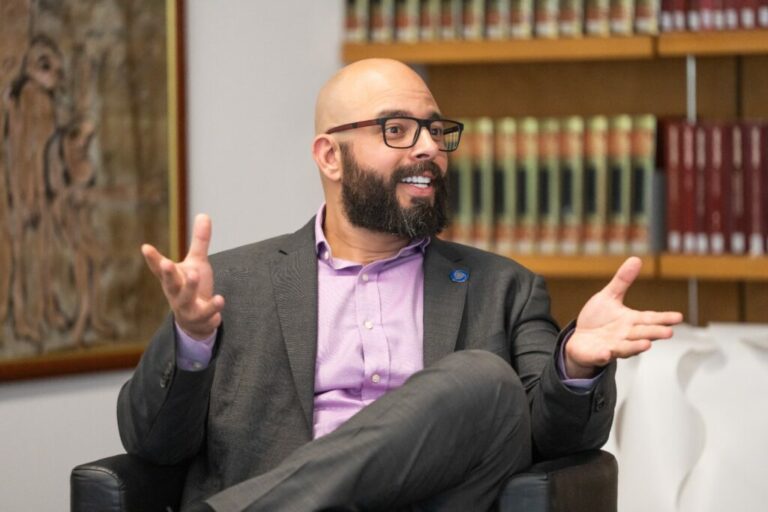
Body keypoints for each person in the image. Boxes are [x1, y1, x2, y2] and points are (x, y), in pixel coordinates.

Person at [117, 58, 682, 512]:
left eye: (436, 130)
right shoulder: (235, 286)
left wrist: (575, 366)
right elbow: (151, 444)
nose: (429, 147)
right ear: (330, 156)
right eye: (397, 129)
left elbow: (559, 441)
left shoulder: (504, 287)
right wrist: (190, 342)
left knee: (485, 380)